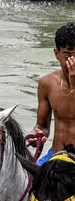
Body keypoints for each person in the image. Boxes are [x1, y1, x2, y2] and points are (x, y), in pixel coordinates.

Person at [27, 23, 75, 165]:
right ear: (56, 54)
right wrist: (37, 134)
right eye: (68, 56)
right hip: (55, 157)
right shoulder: (46, 83)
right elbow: (42, 126)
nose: (73, 63)